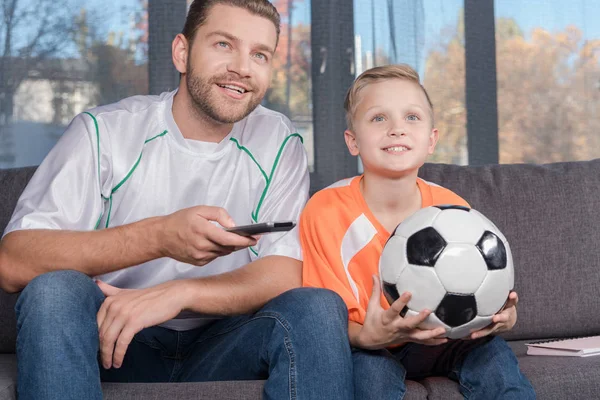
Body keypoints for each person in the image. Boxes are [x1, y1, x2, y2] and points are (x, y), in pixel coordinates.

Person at [0, 1, 353, 399]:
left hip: (226, 339)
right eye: (224, 44)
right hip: (114, 337)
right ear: (182, 52)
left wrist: (177, 294)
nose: (242, 67)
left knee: (317, 307)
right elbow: (14, 261)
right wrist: (161, 236)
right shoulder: (104, 132)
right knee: (53, 292)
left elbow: (284, 271)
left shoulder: (279, 140)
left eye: (259, 54)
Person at [299, 64, 535, 399]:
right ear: (353, 141)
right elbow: (320, 324)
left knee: (493, 355)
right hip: (372, 347)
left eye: (412, 117)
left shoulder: (452, 208)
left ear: (431, 140)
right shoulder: (325, 210)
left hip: (443, 341)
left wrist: (498, 313)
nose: (397, 129)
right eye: (379, 118)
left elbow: (479, 285)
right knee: (371, 373)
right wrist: (367, 336)